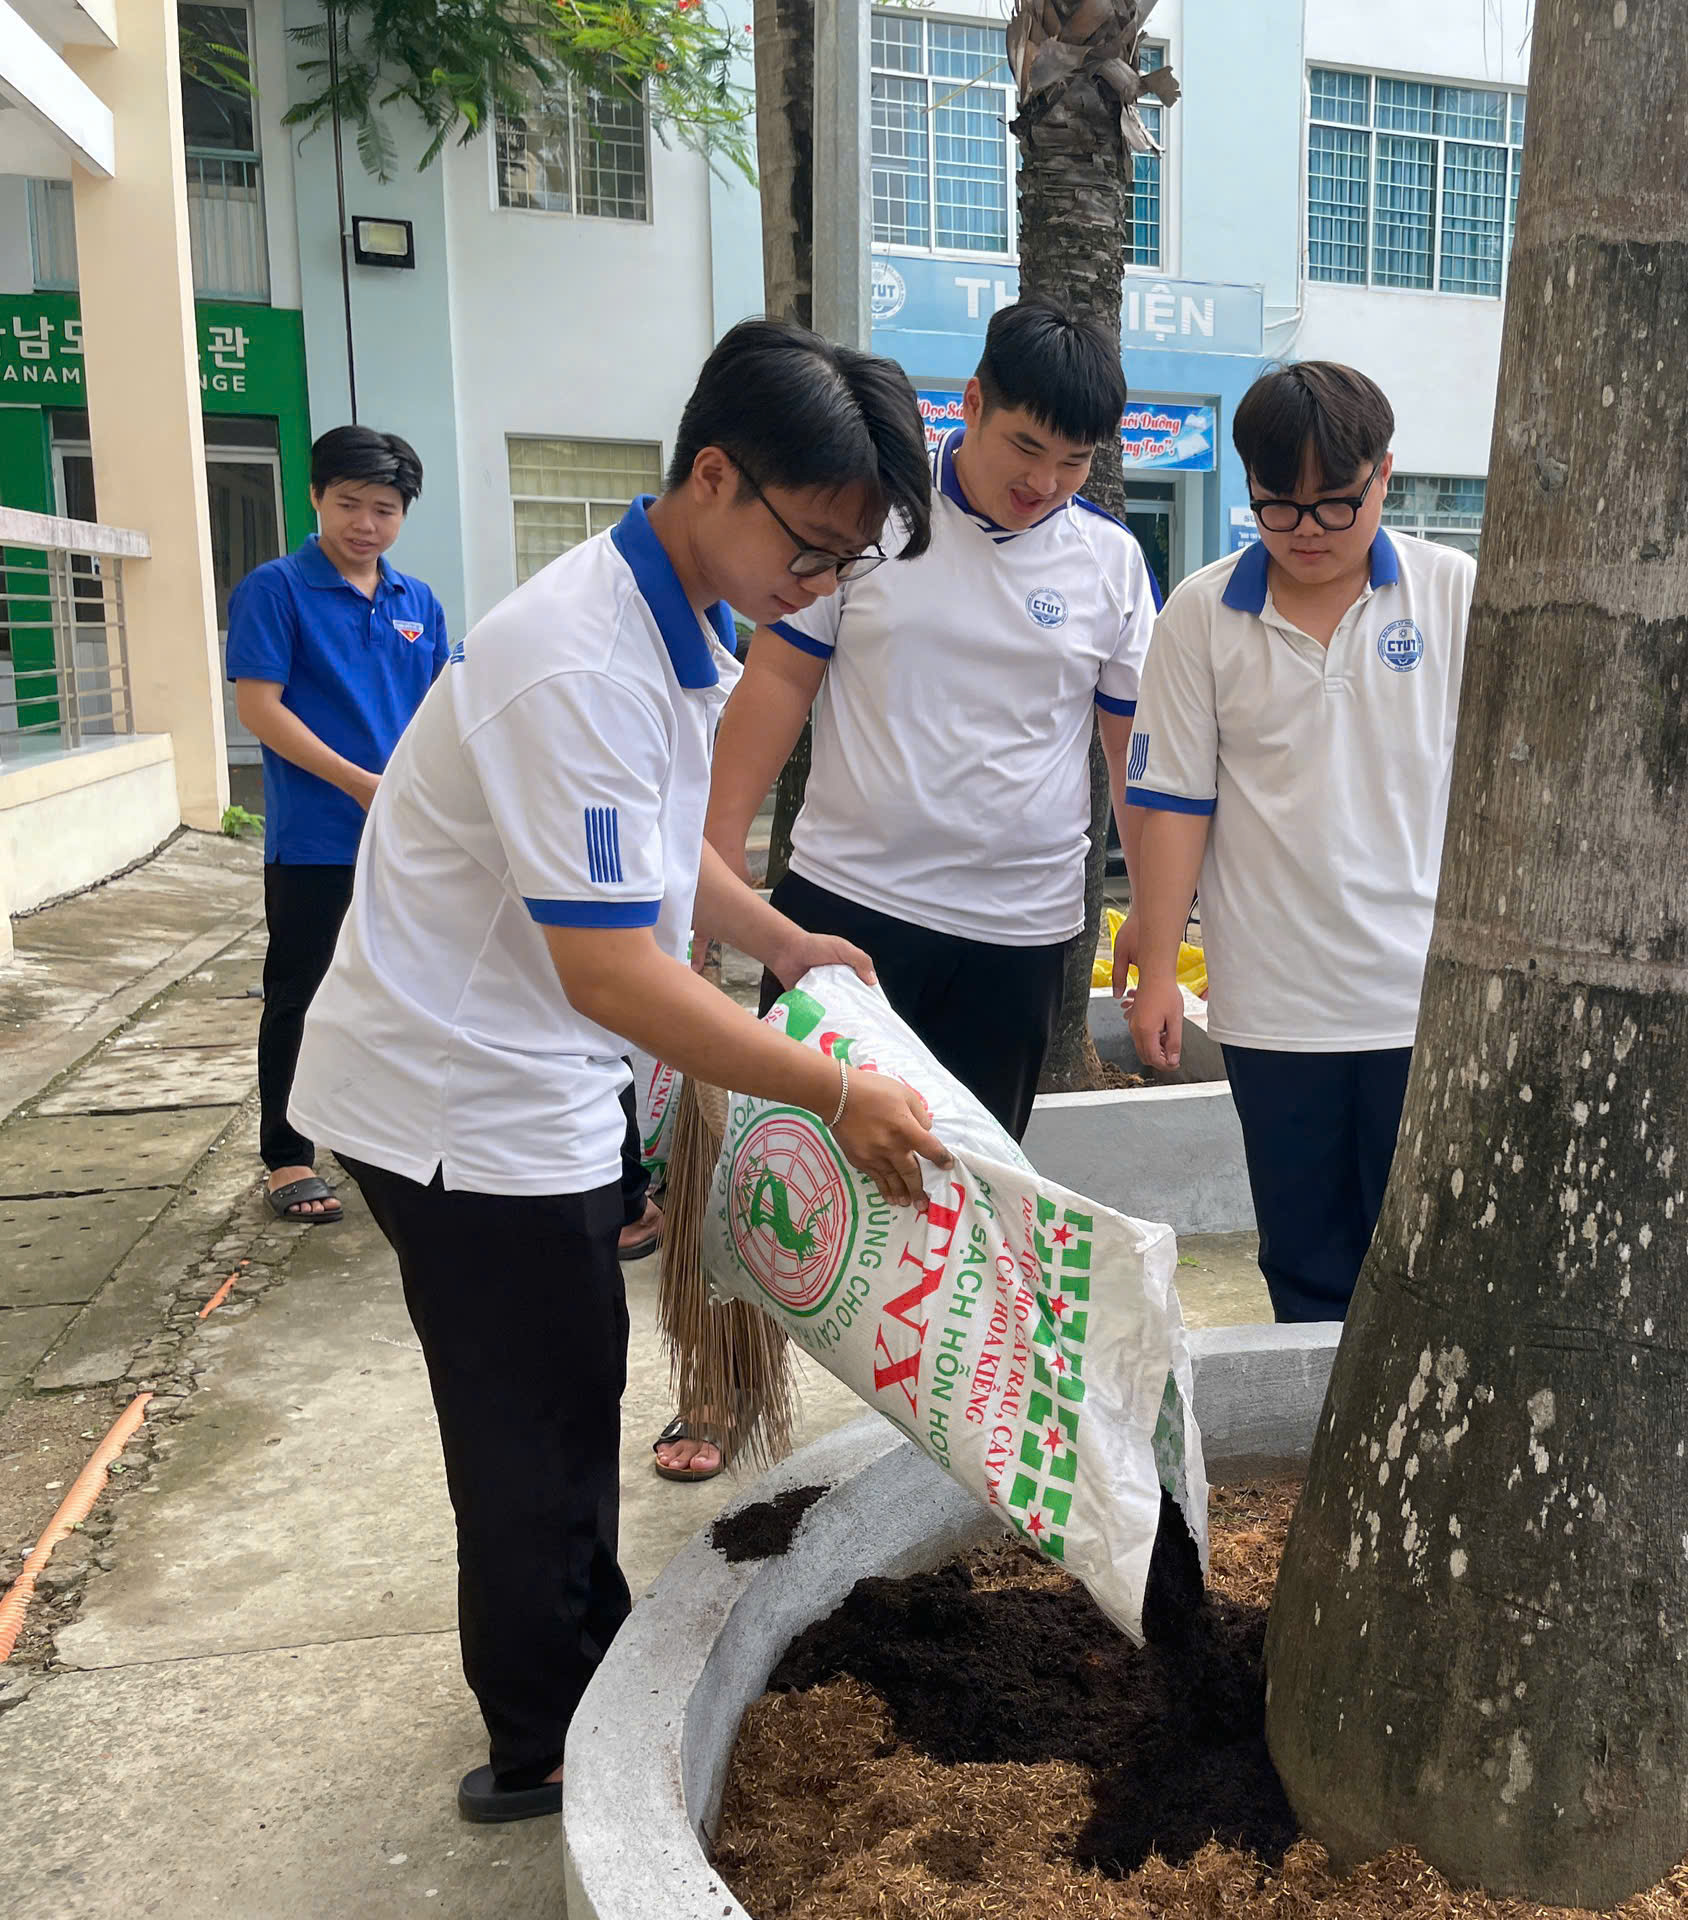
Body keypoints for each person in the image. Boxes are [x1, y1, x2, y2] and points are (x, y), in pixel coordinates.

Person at [290, 320, 953, 1827]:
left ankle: (577, 1669)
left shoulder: (673, 619)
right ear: (714, 475)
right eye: (811, 544)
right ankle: (541, 1746)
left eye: (846, 559)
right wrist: (832, 1090)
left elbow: (650, 861)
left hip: (530, 1078)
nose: (819, 581)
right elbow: (610, 969)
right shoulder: (579, 659)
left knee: (564, 1388)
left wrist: (782, 939)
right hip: (463, 1102)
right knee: (530, 1427)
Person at [686, 295, 1154, 1477]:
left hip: (1016, 935)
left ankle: (962, 1428)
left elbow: (1129, 753)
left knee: (966, 1192)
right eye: (1024, 448)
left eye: (1074, 462)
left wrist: (1153, 912)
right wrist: (712, 859)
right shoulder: (873, 524)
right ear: (972, 404)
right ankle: (725, 1392)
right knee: (778, 1164)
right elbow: (777, 687)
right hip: (845, 914)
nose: (1044, 483)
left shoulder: (1108, 564)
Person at [1115, 362, 1473, 1322]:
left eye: (1335, 505)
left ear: (1384, 474)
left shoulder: (1453, 595)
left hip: (1423, 999)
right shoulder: (1200, 614)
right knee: (1305, 1259)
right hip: (1274, 1004)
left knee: (1427, 1260)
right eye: (1278, 506)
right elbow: (1173, 802)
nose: (1306, 531)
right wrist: (1159, 963)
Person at [225, 426, 449, 1225]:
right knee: (303, 991)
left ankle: (381, 1137)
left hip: (406, 836)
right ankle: (288, 1155)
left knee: (405, 991)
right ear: (316, 496)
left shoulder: (417, 602)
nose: (365, 523)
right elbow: (260, 708)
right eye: (349, 503)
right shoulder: (276, 590)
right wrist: (357, 782)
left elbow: (438, 712)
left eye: (384, 509)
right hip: (317, 838)